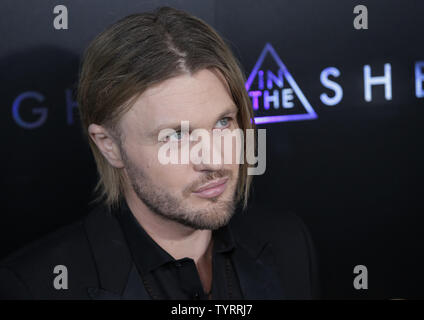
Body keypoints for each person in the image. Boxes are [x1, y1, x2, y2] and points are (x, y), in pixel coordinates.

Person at [0, 6, 319, 299]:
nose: (214, 160)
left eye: (223, 122)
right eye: (177, 136)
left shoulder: (287, 242)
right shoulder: (35, 287)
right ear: (110, 146)